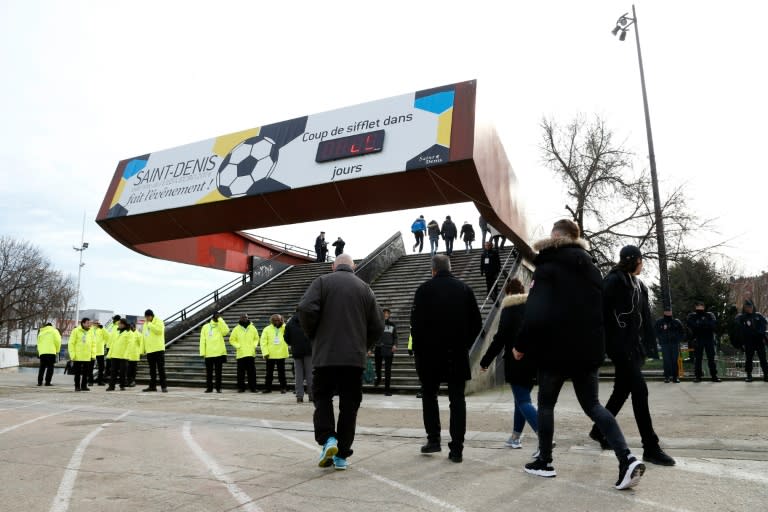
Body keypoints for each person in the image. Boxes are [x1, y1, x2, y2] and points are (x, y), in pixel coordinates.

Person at [513, 219, 645, 490]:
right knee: (593, 406)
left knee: (547, 405)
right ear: (577, 238)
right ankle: (626, 458)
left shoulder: (546, 266)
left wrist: (521, 345)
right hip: (587, 349)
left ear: (555, 236)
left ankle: (545, 462)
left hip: (554, 349)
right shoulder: (592, 268)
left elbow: (535, 311)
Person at [588, 245, 675, 467]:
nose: (642, 263)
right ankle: (650, 447)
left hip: (634, 348)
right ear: (635, 260)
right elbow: (598, 312)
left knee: (621, 391)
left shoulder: (639, 284)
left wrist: (648, 347)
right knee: (640, 391)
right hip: (620, 347)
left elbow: (644, 318)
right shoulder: (614, 281)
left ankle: (599, 430)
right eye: (641, 259)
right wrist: (604, 343)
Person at [298, 253, 384, 471]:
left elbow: (306, 308)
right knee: (349, 406)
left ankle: (328, 439)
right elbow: (378, 325)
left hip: (325, 357)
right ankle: (342, 455)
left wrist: (313, 335)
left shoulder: (322, 282)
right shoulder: (365, 288)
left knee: (323, 398)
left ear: (333, 266)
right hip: (354, 359)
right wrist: (364, 346)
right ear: (353, 267)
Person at [411, 255, 481, 463]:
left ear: (432, 270)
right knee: (457, 400)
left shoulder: (423, 290)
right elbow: (477, 324)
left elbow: (415, 324)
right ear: (450, 268)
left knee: (429, 396)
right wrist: (464, 344)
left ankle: (433, 439)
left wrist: (422, 349)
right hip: (456, 354)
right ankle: (457, 449)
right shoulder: (464, 289)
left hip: (429, 355)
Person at [480, 279, 538, 450]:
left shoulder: (509, 309)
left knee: (523, 401)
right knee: (520, 401)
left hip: (516, 361)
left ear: (508, 292)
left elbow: (500, 338)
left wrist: (485, 361)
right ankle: (515, 437)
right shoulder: (532, 307)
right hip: (533, 361)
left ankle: (544, 435)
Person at [733, 299, 768, 382]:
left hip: (759, 341)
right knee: (748, 359)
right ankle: (749, 375)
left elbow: (764, 326)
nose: (749, 308)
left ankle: (766, 374)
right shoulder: (742, 317)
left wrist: (759, 333)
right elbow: (738, 327)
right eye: (747, 307)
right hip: (749, 341)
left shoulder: (758, 316)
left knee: (763, 358)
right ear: (744, 308)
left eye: (750, 307)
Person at [686, 301, 721, 382]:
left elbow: (713, 325)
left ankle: (714, 376)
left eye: (701, 306)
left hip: (709, 339)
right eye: (698, 306)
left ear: (704, 307)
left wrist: (700, 324)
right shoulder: (692, 316)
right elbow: (692, 325)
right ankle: (698, 376)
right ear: (695, 307)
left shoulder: (709, 315)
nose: (700, 308)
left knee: (711, 358)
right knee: (698, 359)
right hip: (698, 339)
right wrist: (704, 325)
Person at [285, 309, 313, 403]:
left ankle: (299, 396)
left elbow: (286, 338)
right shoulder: (309, 320)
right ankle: (311, 395)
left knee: (298, 375)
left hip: (296, 351)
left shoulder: (290, 322)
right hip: (309, 351)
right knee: (310, 374)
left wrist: (294, 344)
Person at [200, 311, 229, 393]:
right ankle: (209, 388)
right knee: (209, 373)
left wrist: (220, 319)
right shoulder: (205, 327)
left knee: (218, 373)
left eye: (219, 316)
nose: (217, 317)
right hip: (209, 354)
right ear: (212, 317)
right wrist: (202, 352)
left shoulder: (220, 326)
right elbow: (202, 340)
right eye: (216, 316)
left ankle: (218, 388)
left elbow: (226, 331)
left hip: (219, 353)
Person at [229, 314, 259, 392]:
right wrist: (238, 346)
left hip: (250, 353)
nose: (244, 318)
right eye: (243, 317)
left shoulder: (252, 328)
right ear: (240, 319)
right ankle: (241, 388)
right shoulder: (236, 329)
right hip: (241, 354)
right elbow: (232, 340)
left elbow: (256, 338)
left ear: (248, 318)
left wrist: (254, 345)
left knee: (252, 372)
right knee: (240, 373)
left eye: (246, 317)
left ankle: (253, 387)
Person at [371, 308, 398, 396]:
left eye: (387, 313)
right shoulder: (377, 324)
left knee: (388, 370)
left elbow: (395, 337)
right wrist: (370, 349)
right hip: (378, 348)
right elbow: (373, 337)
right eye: (384, 313)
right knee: (378, 367)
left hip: (389, 349)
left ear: (389, 315)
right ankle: (378, 378)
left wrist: (395, 345)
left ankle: (387, 390)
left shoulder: (392, 325)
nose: (386, 315)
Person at [260, 314, 289, 393]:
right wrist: (265, 353)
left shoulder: (285, 327)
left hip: (281, 353)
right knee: (269, 373)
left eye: (279, 320)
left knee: (281, 372)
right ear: (272, 321)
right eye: (275, 320)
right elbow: (263, 342)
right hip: (270, 354)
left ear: (281, 320)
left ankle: (283, 388)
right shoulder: (267, 329)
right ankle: (267, 388)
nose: (277, 321)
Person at [655, 310, 685, 383]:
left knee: (675, 361)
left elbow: (682, 332)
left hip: (674, 344)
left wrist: (678, 339)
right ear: (664, 312)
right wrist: (661, 339)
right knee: (666, 361)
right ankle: (667, 377)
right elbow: (655, 332)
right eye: (666, 311)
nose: (668, 313)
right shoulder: (659, 322)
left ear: (671, 312)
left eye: (669, 311)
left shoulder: (676, 321)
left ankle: (675, 377)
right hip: (665, 344)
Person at [142, 309, 167, 392]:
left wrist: (150, 325)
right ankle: (152, 386)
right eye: (145, 317)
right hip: (149, 350)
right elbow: (144, 337)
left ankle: (164, 387)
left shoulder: (159, 321)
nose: (146, 318)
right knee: (152, 370)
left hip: (158, 349)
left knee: (161, 369)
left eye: (147, 317)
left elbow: (159, 331)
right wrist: (143, 349)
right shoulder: (145, 324)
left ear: (151, 316)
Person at [68, 318, 94, 392]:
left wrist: (93, 355)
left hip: (87, 356)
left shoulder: (91, 331)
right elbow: (71, 343)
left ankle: (84, 386)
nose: (89, 324)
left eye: (90, 323)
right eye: (87, 323)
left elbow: (93, 344)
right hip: (78, 356)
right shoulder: (76, 331)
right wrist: (72, 355)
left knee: (86, 373)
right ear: (83, 323)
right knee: (77, 373)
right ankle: (77, 386)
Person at [106, 319, 130, 391]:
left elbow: (129, 345)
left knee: (122, 372)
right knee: (113, 372)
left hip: (123, 356)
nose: (118, 325)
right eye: (118, 324)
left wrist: (126, 355)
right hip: (115, 354)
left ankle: (122, 385)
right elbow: (113, 344)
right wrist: (110, 354)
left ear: (124, 324)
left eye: (120, 324)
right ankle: (111, 386)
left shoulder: (128, 333)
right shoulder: (116, 332)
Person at [89, 320, 107, 386]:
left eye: (98, 323)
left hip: (100, 351)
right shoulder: (90, 330)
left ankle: (100, 381)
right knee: (90, 367)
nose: (97, 324)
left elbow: (107, 337)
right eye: (95, 323)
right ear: (93, 324)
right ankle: (90, 381)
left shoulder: (102, 330)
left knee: (101, 367)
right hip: (92, 351)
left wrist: (103, 328)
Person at [104, 314, 121, 380]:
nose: (113, 320)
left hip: (114, 346)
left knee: (113, 361)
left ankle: (112, 374)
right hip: (109, 345)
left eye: (114, 319)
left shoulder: (118, 326)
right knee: (109, 360)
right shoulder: (112, 325)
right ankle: (108, 373)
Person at [125, 322, 141, 387]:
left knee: (133, 370)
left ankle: (132, 381)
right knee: (128, 370)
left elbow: (141, 344)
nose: (131, 328)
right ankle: (128, 381)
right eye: (130, 327)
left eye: (132, 327)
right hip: (128, 355)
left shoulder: (139, 334)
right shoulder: (128, 334)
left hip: (135, 355)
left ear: (134, 327)